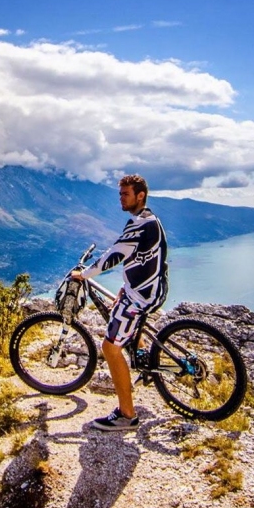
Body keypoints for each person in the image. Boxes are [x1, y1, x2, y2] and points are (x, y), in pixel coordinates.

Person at [71, 173, 168, 431]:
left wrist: (85, 274)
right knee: (121, 307)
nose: (121, 199)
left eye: (125, 194)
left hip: (142, 295)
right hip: (149, 288)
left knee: (110, 347)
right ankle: (142, 356)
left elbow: (114, 255)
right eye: (120, 194)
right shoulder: (148, 219)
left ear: (140, 196)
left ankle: (127, 415)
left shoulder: (140, 225)